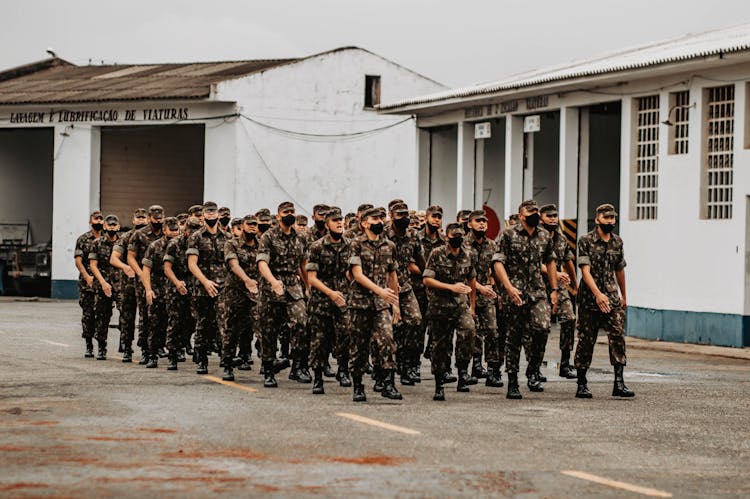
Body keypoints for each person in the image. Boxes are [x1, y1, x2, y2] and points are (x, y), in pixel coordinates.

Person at [493, 200, 559, 399]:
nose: (534, 214)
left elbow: (550, 261)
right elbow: (497, 262)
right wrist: (508, 287)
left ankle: (533, 369)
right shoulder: (508, 234)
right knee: (514, 337)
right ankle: (512, 381)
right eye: (530, 212)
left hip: (538, 291)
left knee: (542, 327)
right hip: (516, 292)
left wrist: (554, 289)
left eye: (536, 211)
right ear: (520, 215)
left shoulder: (544, 235)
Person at [573, 204, 634, 399]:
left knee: (617, 337)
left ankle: (619, 383)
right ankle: (581, 383)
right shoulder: (586, 241)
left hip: (612, 299)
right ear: (597, 219)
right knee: (586, 340)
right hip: (590, 299)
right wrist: (598, 294)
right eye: (606, 218)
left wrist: (624, 295)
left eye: (612, 218)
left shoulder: (617, 242)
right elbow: (585, 271)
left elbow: (620, 269)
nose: (609, 221)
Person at [347, 207, 402, 402]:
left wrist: (396, 304)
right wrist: (380, 291)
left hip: (381, 303)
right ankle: (358, 385)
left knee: (387, 339)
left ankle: (388, 383)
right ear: (364, 223)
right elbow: (357, 274)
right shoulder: (355, 244)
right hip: (359, 303)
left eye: (381, 218)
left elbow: (392, 275)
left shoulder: (389, 246)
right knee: (358, 345)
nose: (379, 221)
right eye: (374, 218)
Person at [423, 223, 478, 400]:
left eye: (461, 234)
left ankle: (463, 373)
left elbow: (472, 280)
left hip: (461, 306)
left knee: (469, 332)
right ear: (446, 237)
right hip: (439, 307)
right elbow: (427, 280)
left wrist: (472, 305)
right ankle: (439, 384)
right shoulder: (437, 253)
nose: (458, 237)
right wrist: (451, 287)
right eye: (454, 235)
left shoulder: (468, 254)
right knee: (440, 345)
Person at [256, 201, 307, 387]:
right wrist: (273, 282)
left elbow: (303, 264)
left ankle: (297, 367)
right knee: (269, 330)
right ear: (278, 216)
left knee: (301, 323)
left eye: (292, 211)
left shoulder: (301, 238)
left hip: (293, 286)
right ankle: (269, 370)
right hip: (272, 287)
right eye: (286, 212)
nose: (290, 214)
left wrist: (309, 286)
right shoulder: (268, 237)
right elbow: (262, 263)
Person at [306, 208, 352, 394]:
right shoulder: (317, 246)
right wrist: (330, 293)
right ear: (327, 225)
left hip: (343, 298)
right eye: (335, 221)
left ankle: (343, 370)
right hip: (321, 300)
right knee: (319, 340)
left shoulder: (350, 245)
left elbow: (352, 272)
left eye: (341, 220)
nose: (340, 223)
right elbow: (312, 278)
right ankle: (318, 377)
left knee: (346, 334)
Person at [187, 201, 229, 375]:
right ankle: (202, 359)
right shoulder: (196, 236)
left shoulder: (227, 238)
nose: (211, 215)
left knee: (225, 324)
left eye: (214, 212)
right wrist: (205, 282)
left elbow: (231, 263)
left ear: (218, 215)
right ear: (203, 216)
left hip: (223, 287)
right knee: (203, 324)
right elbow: (192, 264)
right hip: (202, 287)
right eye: (208, 213)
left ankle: (226, 362)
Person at [386, 202, 425, 386]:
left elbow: (420, 259)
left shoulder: (413, 235)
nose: (404, 219)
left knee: (415, 320)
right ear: (391, 216)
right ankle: (387, 369)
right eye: (400, 215)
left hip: (405, 287)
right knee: (389, 328)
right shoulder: (383, 235)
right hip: (384, 288)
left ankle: (407, 363)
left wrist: (428, 278)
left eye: (406, 215)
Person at [464, 210, 503, 387]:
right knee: (471, 332)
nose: (482, 224)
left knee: (493, 331)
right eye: (478, 221)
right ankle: (473, 367)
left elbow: (496, 270)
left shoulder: (492, 246)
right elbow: (461, 273)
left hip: (487, 295)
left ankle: (494, 371)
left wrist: (497, 290)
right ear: (469, 224)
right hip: (466, 294)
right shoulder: (462, 244)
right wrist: (479, 287)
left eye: (484, 222)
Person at [539, 204, 578, 379]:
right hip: (538, 286)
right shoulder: (536, 238)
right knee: (541, 327)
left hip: (560, 287)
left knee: (569, 319)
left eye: (555, 216)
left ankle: (565, 363)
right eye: (549, 216)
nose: (553, 219)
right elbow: (533, 262)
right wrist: (554, 273)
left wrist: (576, 284)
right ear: (541, 218)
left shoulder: (561, 239)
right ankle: (535, 367)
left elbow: (568, 260)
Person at [221, 215, 261, 381]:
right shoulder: (232, 243)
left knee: (261, 326)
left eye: (255, 225)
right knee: (232, 329)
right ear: (243, 226)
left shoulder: (262, 244)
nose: (252, 227)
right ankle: (228, 365)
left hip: (256, 292)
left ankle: (267, 365)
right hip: (236, 291)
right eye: (249, 224)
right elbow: (233, 264)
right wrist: (246, 280)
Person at [127, 205, 165, 364]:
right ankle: (146, 350)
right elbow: (131, 257)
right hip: (144, 279)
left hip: (164, 279)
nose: (158, 221)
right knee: (146, 316)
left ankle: (158, 347)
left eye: (160, 219)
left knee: (162, 316)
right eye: (155, 219)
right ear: (149, 218)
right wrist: (141, 274)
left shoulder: (167, 232)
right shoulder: (139, 235)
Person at [163, 217, 202, 370]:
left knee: (193, 320)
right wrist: (177, 282)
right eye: (190, 231)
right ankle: (173, 354)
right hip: (176, 286)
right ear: (185, 231)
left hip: (194, 286)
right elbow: (167, 268)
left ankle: (191, 348)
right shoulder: (174, 244)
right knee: (175, 321)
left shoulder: (201, 243)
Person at [109, 208, 147, 362]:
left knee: (147, 317)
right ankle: (126, 347)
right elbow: (114, 258)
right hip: (128, 283)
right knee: (127, 317)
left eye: (143, 218)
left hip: (146, 283)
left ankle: (147, 349)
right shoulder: (125, 237)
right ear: (133, 220)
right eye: (138, 218)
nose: (141, 220)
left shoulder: (151, 238)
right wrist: (125, 267)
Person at [141, 217, 180, 368]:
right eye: (172, 230)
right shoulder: (155, 246)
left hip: (175, 289)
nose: (175, 233)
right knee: (155, 323)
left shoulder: (181, 245)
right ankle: (152, 355)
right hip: (158, 287)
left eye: (176, 230)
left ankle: (172, 355)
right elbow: (146, 270)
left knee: (174, 323)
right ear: (164, 230)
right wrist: (148, 289)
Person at [88, 214, 121, 360]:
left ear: (118, 226)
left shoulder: (123, 242)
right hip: (102, 284)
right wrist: (103, 283)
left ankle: (125, 346)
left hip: (120, 284)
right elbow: (93, 266)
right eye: (109, 225)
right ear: (105, 227)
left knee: (126, 315)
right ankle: (102, 347)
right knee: (102, 317)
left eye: (114, 225)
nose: (112, 227)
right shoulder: (97, 243)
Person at [74, 210, 104, 358]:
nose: (99, 221)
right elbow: (78, 261)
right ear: (90, 221)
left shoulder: (108, 238)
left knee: (102, 315)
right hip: (88, 284)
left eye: (101, 219)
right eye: (96, 219)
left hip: (104, 282)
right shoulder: (83, 239)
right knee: (88, 315)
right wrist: (87, 276)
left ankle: (101, 347)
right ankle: (89, 345)